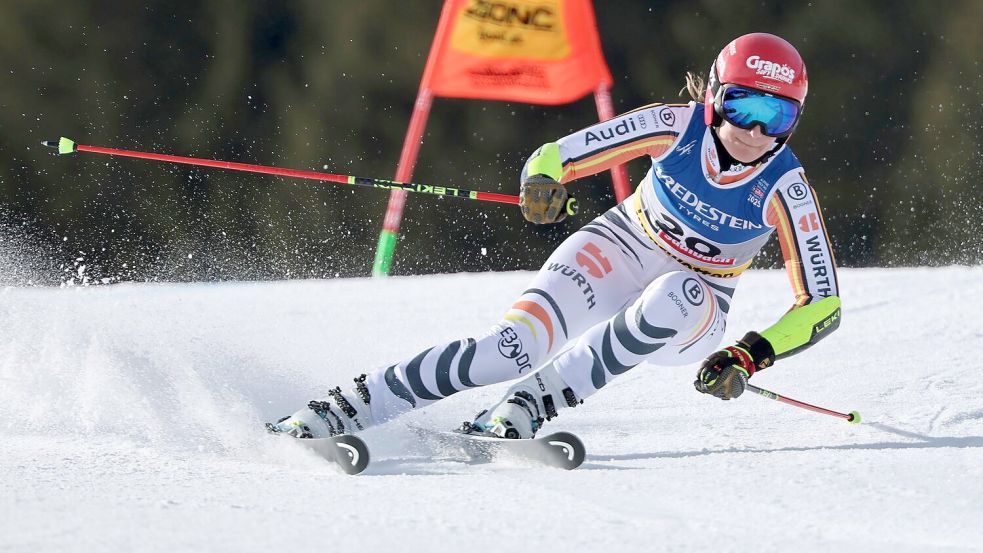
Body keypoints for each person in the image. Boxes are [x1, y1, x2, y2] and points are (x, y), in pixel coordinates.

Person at [269, 32, 841, 440]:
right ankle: (350, 405)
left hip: (698, 306)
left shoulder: (785, 188)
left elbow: (823, 305)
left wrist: (748, 353)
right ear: (716, 95)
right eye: (743, 106)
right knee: (507, 350)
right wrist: (541, 182)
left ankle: (537, 400)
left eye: (778, 116)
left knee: (675, 293)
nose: (755, 131)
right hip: (620, 246)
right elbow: (555, 156)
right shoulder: (674, 125)